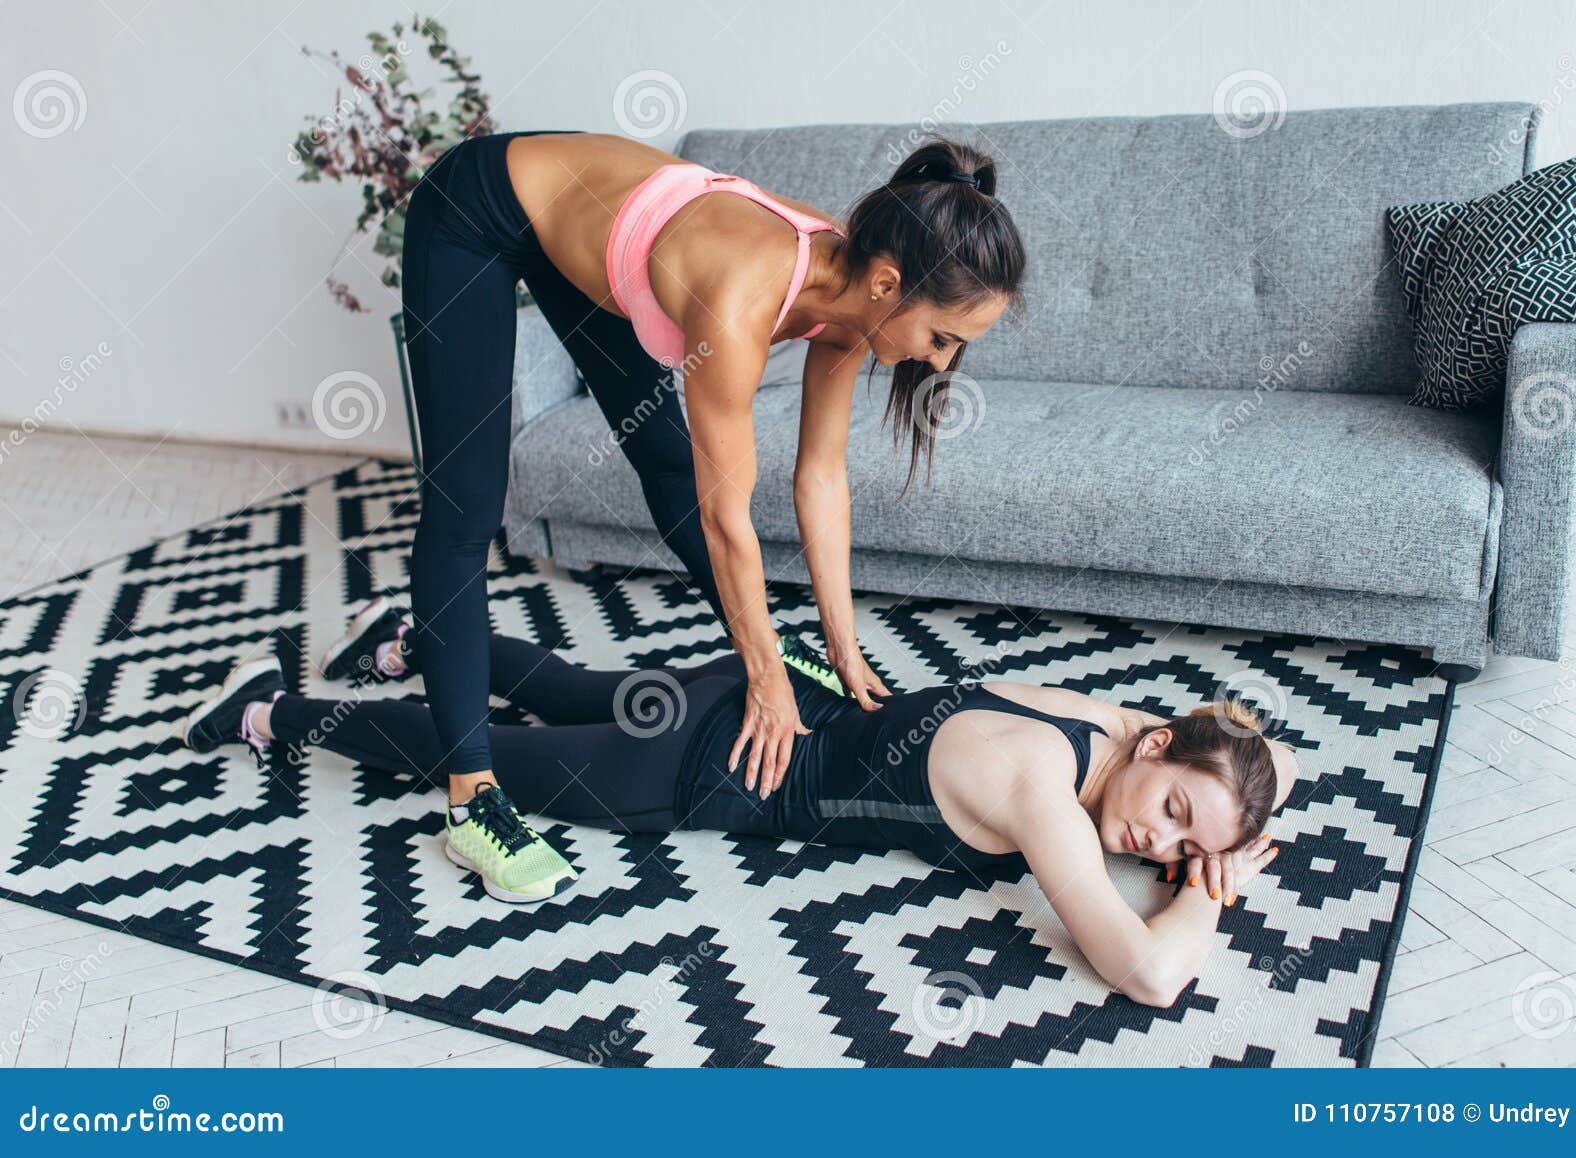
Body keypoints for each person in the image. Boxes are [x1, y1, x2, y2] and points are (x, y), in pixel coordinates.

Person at [399, 127, 1026, 902]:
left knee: (660, 459)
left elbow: (822, 479)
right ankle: (472, 799)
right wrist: (762, 674)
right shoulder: (740, 293)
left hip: (580, 230)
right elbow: (725, 511)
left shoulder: (857, 296)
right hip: (479, 206)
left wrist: (840, 645)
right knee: (467, 505)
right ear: (890, 284)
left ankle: (764, 642)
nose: (939, 363)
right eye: (942, 338)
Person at [174, 597, 1297, 1007]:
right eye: (1171, 812)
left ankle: (411, 639)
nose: (1154, 840)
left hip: (772, 682)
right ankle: (275, 714)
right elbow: (1148, 975)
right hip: (711, 772)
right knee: (489, 757)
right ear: (1157, 745)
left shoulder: (1107, 721)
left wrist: (1226, 813)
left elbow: (1270, 761)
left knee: (574, 689)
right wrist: (1213, 889)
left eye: (1182, 841)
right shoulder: (1041, 788)